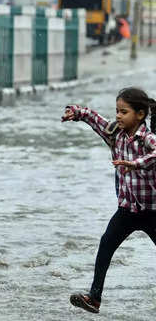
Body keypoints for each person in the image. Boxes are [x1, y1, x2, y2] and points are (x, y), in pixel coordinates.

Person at [63, 87, 156, 314]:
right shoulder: (115, 134)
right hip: (126, 210)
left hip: (154, 211)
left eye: (124, 112)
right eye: (117, 111)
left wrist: (135, 163)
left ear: (140, 115)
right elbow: (95, 119)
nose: (118, 116)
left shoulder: (148, 139)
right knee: (106, 245)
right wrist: (76, 112)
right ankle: (94, 298)